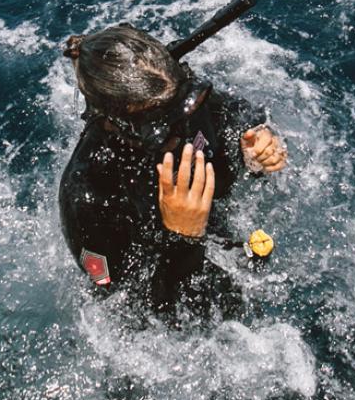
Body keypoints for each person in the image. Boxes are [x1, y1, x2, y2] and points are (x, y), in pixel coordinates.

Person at [57, 21, 286, 319]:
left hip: (211, 235)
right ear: (115, 124)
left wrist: (254, 145)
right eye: (163, 131)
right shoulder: (88, 195)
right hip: (171, 289)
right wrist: (182, 236)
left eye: (182, 114)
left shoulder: (180, 97)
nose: (179, 134)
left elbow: (239, 115)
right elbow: (131, 314)